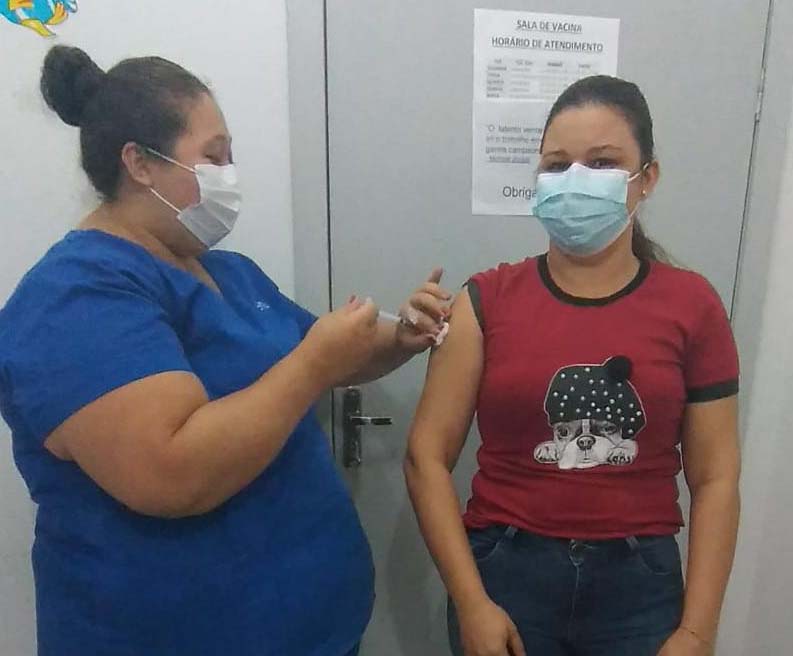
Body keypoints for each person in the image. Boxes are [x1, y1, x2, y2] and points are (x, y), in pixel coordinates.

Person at [0, 46, 451, 656]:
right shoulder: (74, 296)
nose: (229, 174)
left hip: (318, 628)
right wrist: (313, 364)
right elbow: (171, 473)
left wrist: (400, 337)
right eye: (213, 157)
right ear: (139, 163)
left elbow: (333, 350)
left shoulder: (228, 273)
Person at [405, 75, 740, 656]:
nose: (576, 179)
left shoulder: (693, 306)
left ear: (647, 178)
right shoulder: (485, 300)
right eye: (557, 165)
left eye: (603, 162)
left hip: (640, 588)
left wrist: (697, 631)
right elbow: (425, 458)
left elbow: (716, 479)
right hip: (505, 574)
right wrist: (471, 602)